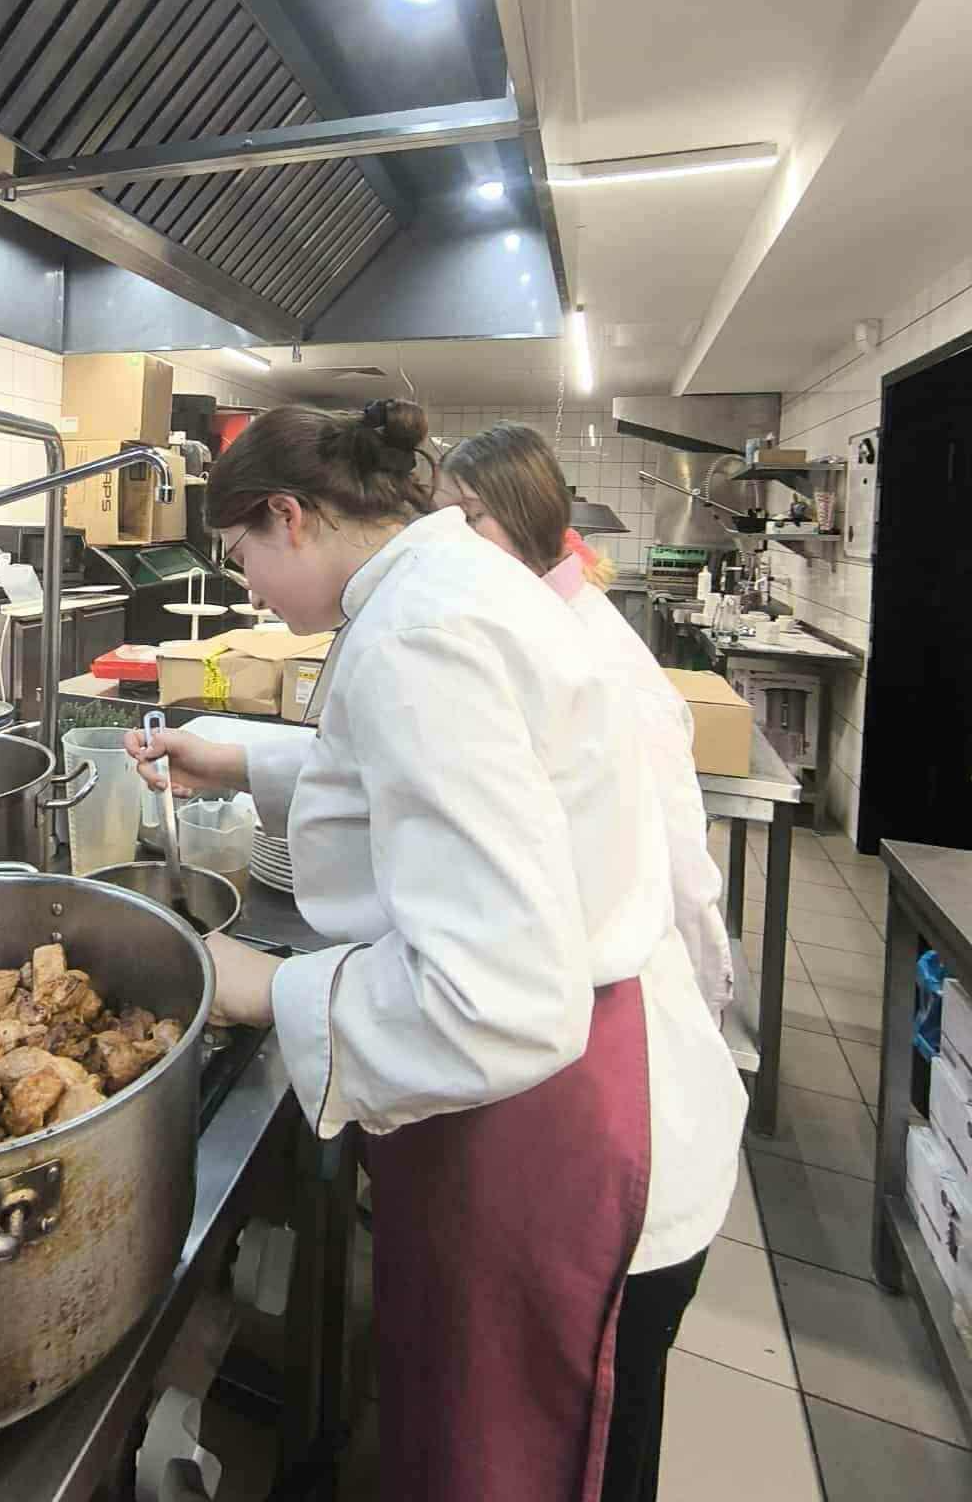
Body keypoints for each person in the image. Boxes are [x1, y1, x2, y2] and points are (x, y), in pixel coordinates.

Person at [130, 399, 746, 1502]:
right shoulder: (443, 586)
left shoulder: (420, 631)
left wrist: (269, 987)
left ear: (290, 516)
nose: (248, 589)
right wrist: (243, 761)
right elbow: (421, 771)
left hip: (553, 1129)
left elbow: (491, 996)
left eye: (241, 555)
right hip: (581, 1085)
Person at [434, 422, 735, 1019]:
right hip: (548, 948)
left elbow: (676, 843)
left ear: (526, 515)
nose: (450, 540)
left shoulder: (596, 652)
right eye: (443, 520)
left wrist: (703, 987)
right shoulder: (524, 617)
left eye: (470, 517)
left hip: (612, 975)